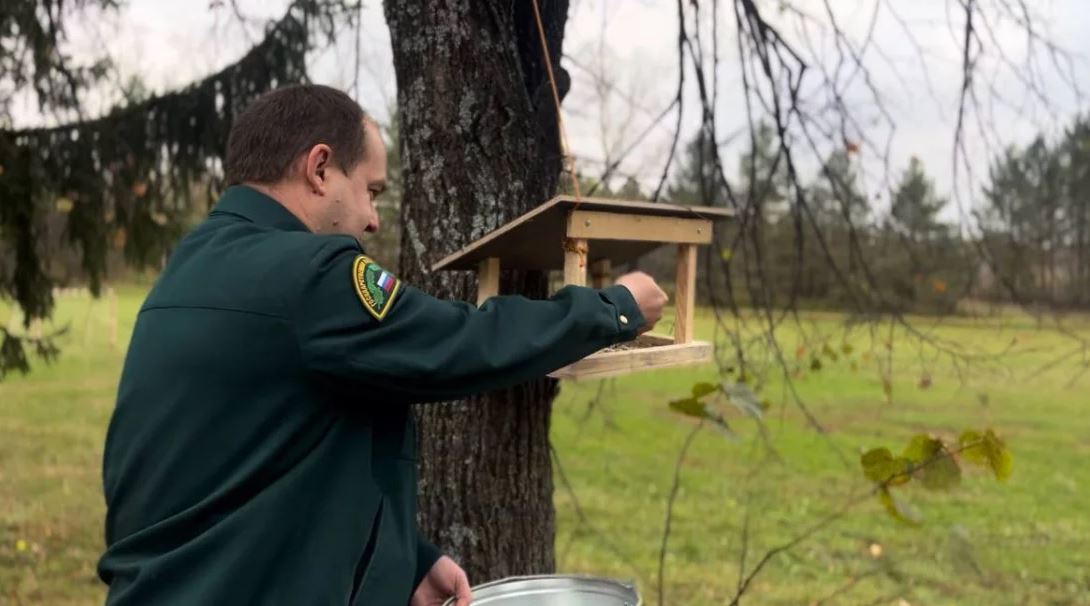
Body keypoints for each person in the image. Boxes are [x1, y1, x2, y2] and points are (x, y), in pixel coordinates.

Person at [97, 83, 668, 605]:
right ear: (320, 168)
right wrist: (612, 308)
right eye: (370, 190)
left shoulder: (191, 268)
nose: (373, 220)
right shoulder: (311, 275)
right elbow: (461, 342)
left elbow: (264, 458)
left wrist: (407, 559)